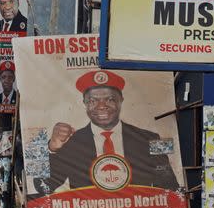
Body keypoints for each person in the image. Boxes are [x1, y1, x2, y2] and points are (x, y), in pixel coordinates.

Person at [47, 70, 179, 191]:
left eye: (110, 99)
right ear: (84, 103)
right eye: (92, 101)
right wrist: (52, 148)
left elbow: (170, 187)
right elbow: (41, 187)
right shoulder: (71, 142)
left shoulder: (152, 138)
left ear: (121, 100)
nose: (101, 106)